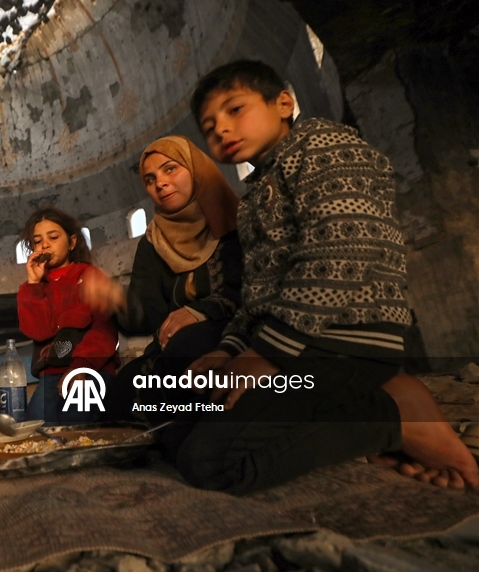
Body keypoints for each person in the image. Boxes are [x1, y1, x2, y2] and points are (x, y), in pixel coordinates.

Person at [172, 59, 475, 492]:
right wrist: (234, 349)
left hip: (342, 343)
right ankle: (353, 421)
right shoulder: (257, 192)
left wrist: (267, 356)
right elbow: (257, 295)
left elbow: (341, 250)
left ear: (283, 103)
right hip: (296, 345)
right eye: (209, 125)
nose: (220, 128)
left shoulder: (324, 147)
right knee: (179, 429)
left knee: (209, 463)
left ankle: (395, 415)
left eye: (234, 109)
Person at [83, 136, 242, 420]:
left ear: (194, 169)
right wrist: (117, 300)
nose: (160, 183)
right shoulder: (153, 242)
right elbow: (149, 315)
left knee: (188, 345)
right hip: (169, 350)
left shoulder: (232, 219)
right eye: (150, 178)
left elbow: (251, 289)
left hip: (230, 334)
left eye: (171, 169)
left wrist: (199, 312)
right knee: (117, 394)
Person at [17, 207, 119, 423]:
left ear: (72, 242)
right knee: (37, 428)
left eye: (53, 237)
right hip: (50, 374)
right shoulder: (31, 288)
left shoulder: (88, 276)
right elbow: (38, 331)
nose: (44, 244)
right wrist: (33, 284)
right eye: (37, 241)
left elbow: (104, 331)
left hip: (92, 369)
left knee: (76, 424)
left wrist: (81, 367)